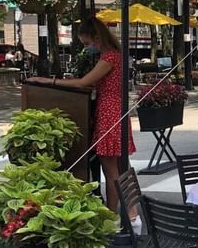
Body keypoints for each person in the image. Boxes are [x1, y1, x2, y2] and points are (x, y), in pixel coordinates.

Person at [27, 17, 137, 225]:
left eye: (87, 43)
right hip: (117, 112)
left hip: (109, 113)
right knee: (123, 168)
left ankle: (112, 215)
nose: (87, 48)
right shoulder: (117, 55)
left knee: (111, 170)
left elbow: (83, 82)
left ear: (97, 38)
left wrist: (47, 80)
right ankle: (132, 213)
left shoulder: (109, 58)